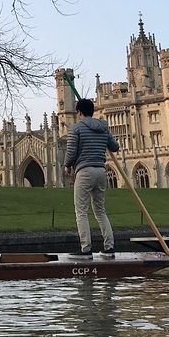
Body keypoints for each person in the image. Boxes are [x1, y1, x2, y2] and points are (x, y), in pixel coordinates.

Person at [64, 98, 120, 259]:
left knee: (81, 210)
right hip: (102, 171)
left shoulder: (76, 128)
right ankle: (109, 248)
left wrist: (67, 165)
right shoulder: (104, 127)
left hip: (85, 170)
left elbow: (71, 151)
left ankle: (85, 249)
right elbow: (115, 147)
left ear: (79, 112)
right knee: (100, 211)